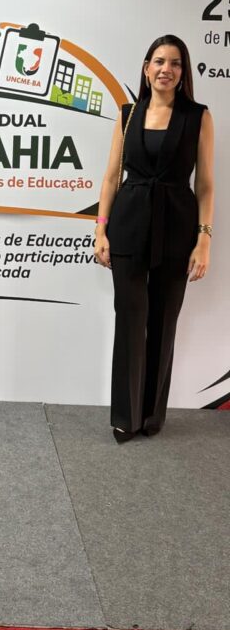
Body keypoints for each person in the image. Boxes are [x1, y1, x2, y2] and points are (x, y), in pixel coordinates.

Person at [94, 35, 214, 443]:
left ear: (183, 72)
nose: (167, 69)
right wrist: (101, 228)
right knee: (130, 318)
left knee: (163, 321)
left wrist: (204, 240)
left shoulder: (198, 117)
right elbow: (111, 177)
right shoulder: (127, 114)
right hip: (127, 225)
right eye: (159, 61)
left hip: (178, 228)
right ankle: (125, 417)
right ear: (146, 69)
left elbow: (206, 185)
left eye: (175, 63)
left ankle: (151, 416)